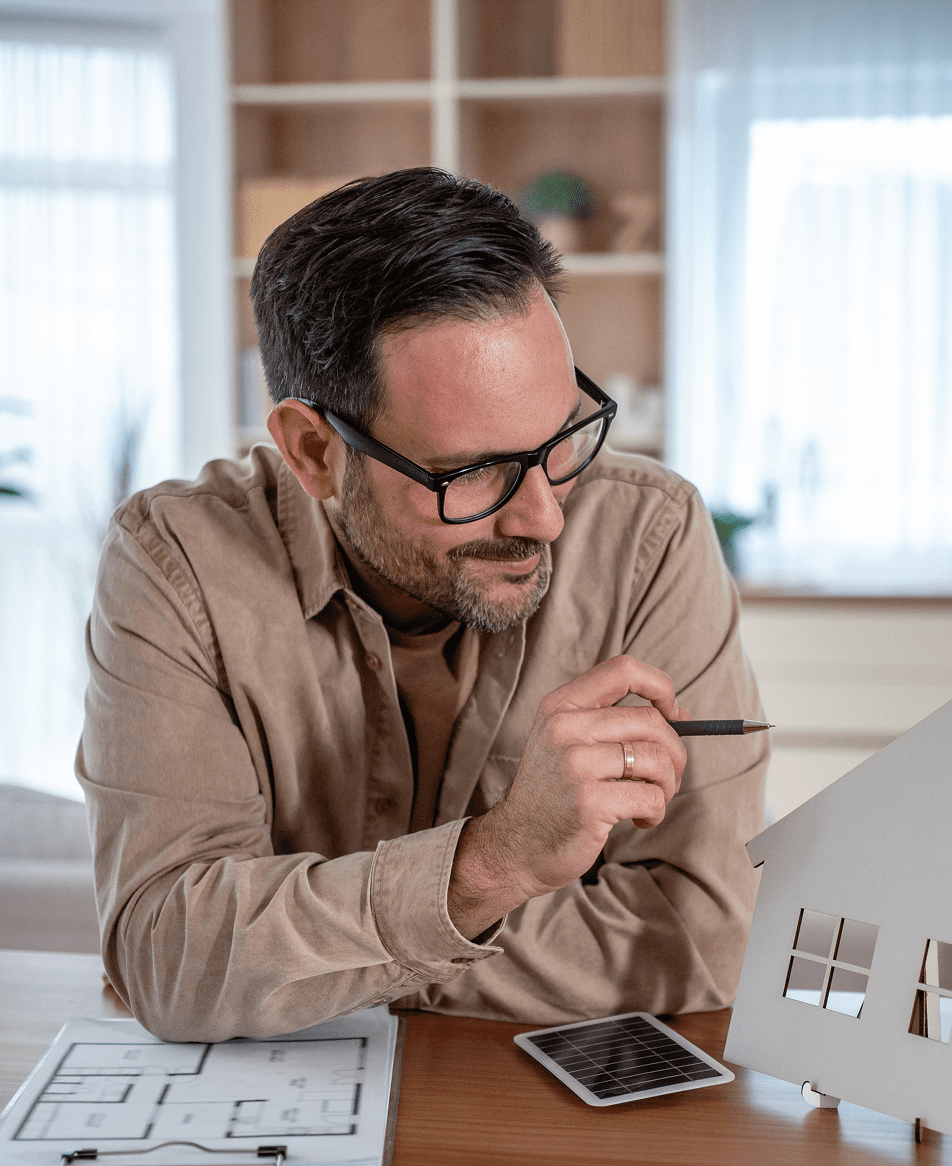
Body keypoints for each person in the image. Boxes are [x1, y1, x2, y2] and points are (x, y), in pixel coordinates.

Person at [77, 168, 767, 1042]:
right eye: (469, 471)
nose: (545, 515)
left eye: (561, 439)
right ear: (314, 451)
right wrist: (493, 866)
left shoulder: (651, 536)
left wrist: (301, 966)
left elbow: (708, 941)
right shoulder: (174, 561)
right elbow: (168, 955)